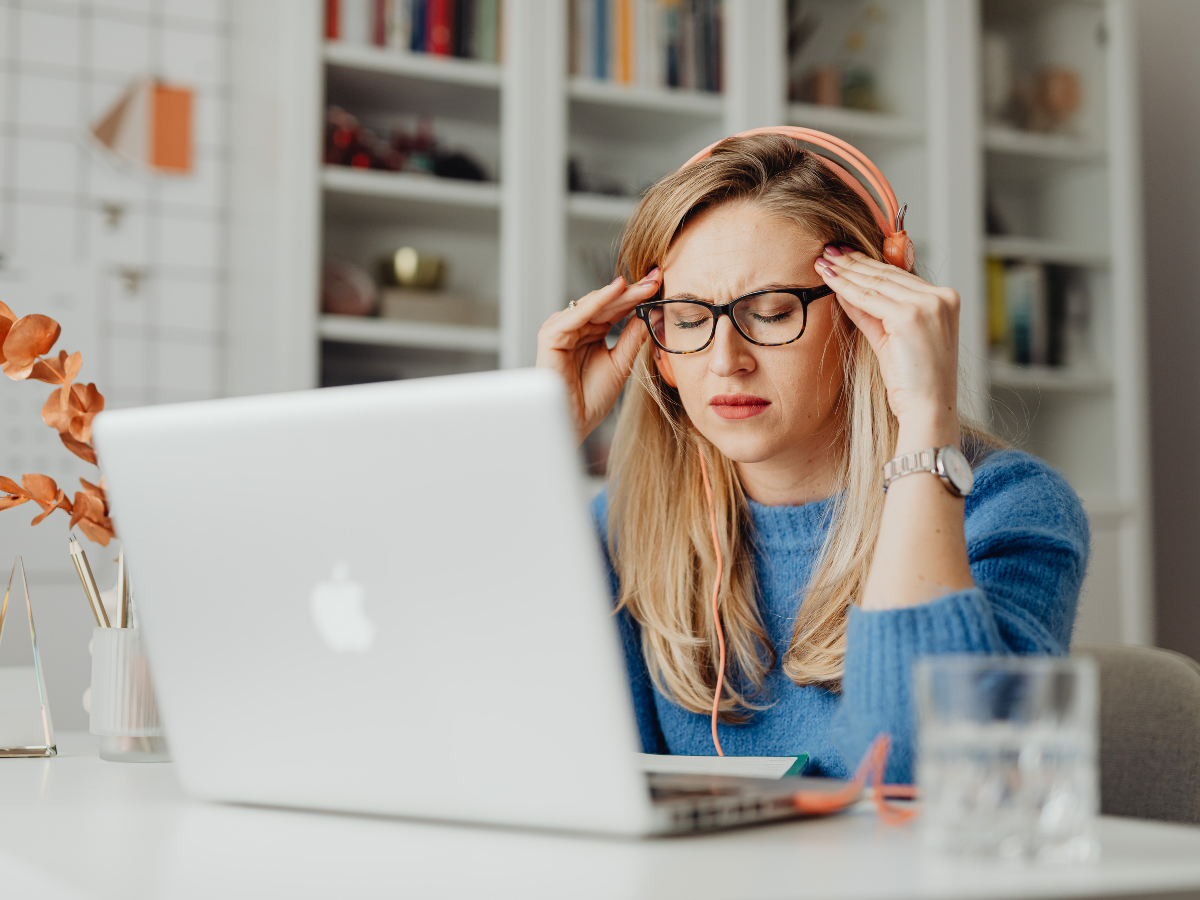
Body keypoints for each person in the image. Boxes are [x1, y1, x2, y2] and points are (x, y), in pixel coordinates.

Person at [535, 133, 1088, 782]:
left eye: (770, 312)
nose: (725, 360)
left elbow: (915, 775)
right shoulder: (624, 527)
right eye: (687, 319)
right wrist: (537, 446)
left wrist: (923, 427)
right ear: (656, 345)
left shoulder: (1008, 510)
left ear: (869, 315)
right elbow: (545, 758)